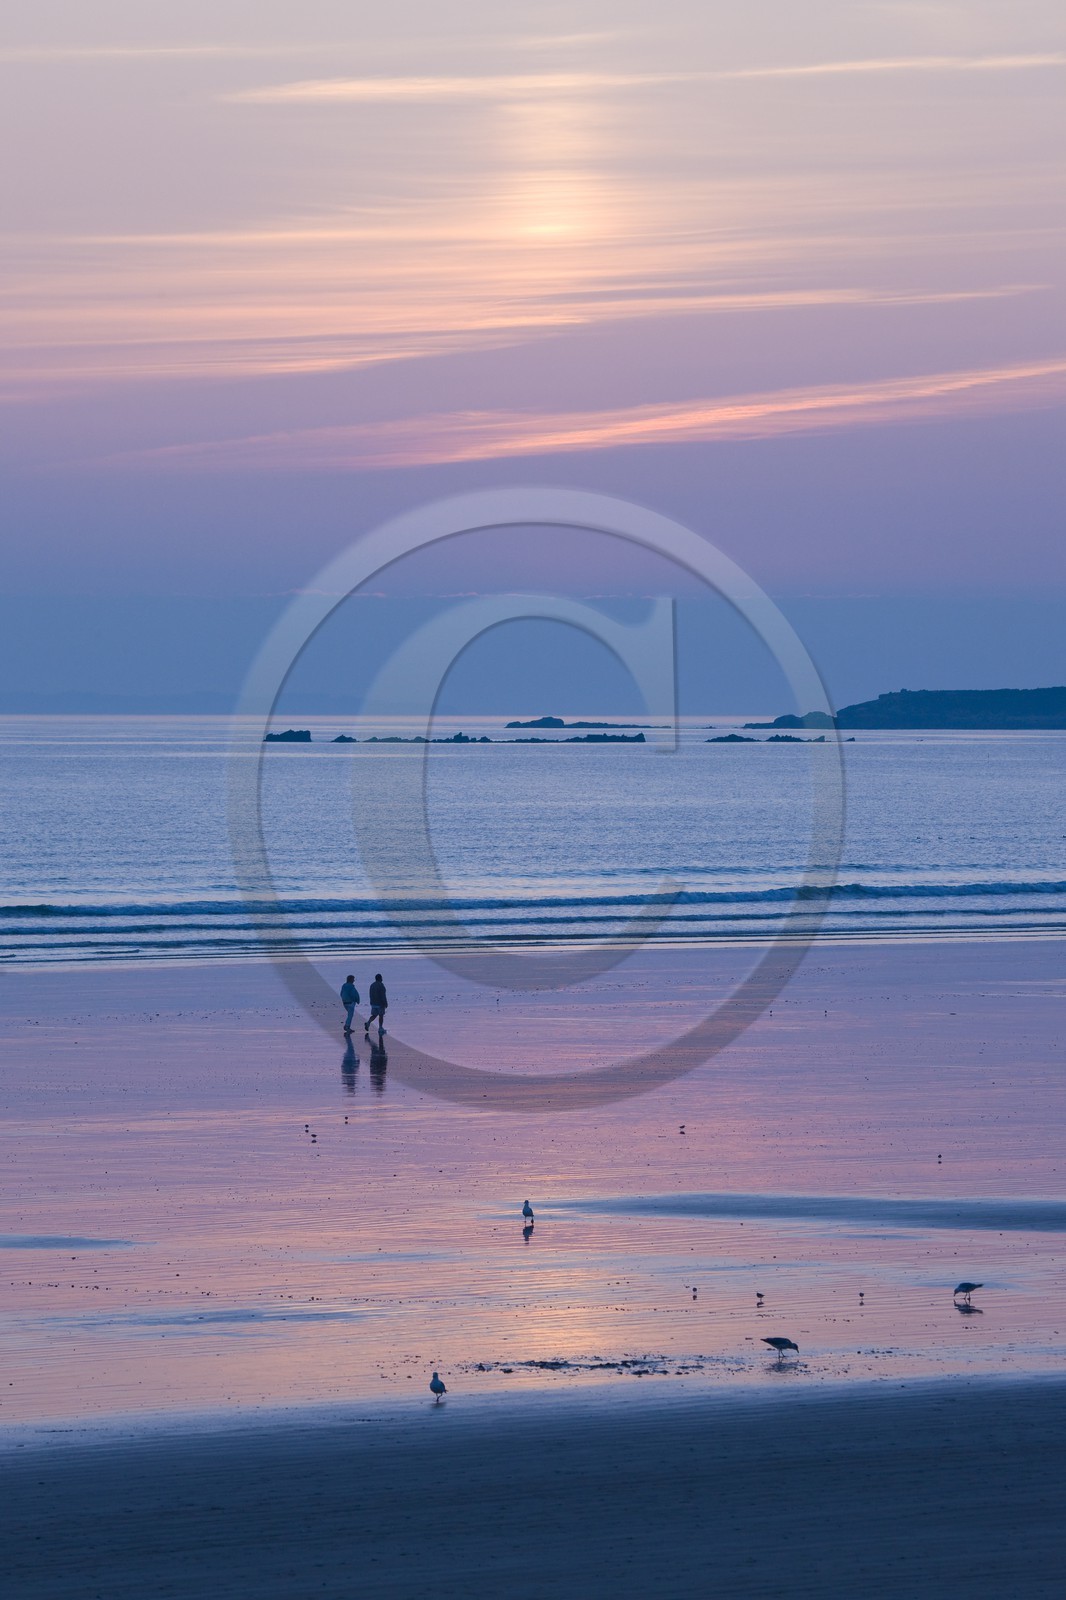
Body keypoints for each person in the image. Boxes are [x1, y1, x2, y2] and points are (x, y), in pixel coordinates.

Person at [366, 973, 387, 1038]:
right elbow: (383, 995)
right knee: (381, 1015)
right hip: (380, 1003)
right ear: (380, 978)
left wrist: (371, 1001)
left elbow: (370, 994)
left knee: (374, 1015)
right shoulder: (381, 985)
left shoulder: (372, 985)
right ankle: (380, 1028)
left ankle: (368, 1023)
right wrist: (385, 1003)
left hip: (373, 1003)